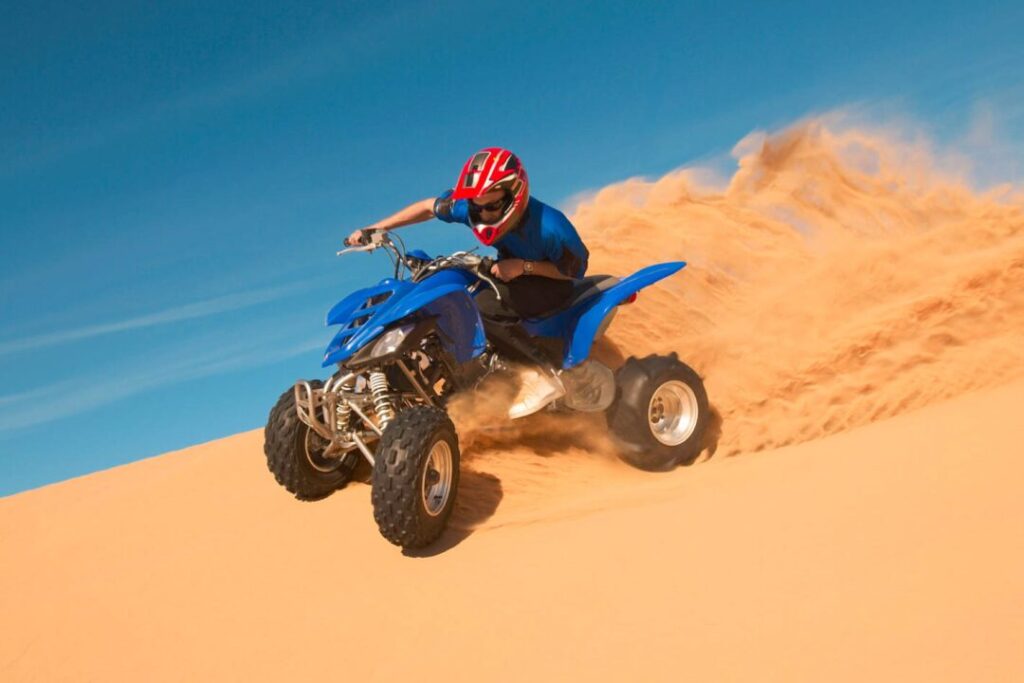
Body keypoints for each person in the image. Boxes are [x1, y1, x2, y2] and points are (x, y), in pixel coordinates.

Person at [345, 147, 591, 417]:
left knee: (482, 307)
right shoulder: (473, 207)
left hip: (550, 283)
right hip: (506, 272)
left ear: (515, 195)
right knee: (450, 301)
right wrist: (378, 228)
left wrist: (524, 266)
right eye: (477, 206)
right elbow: (428, 207)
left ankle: (542, 374)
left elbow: (573, 272)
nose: (483, 213)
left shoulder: (552, 227)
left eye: (491, 206)